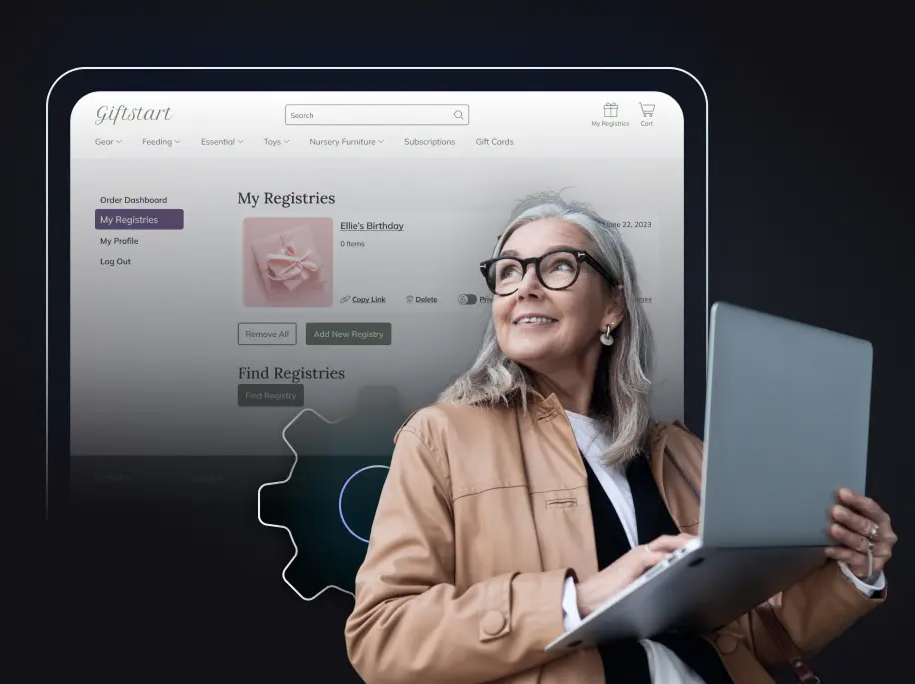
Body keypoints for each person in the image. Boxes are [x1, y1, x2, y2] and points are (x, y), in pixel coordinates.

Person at [344, 192, 897, 684]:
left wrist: (854, 570)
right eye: (509, 271)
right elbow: (381, 636)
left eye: (558, 266)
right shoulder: (441, 436)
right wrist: (578, 600)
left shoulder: (680, 453)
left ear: (613, 306)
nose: (525, 287)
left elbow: (755, 637)